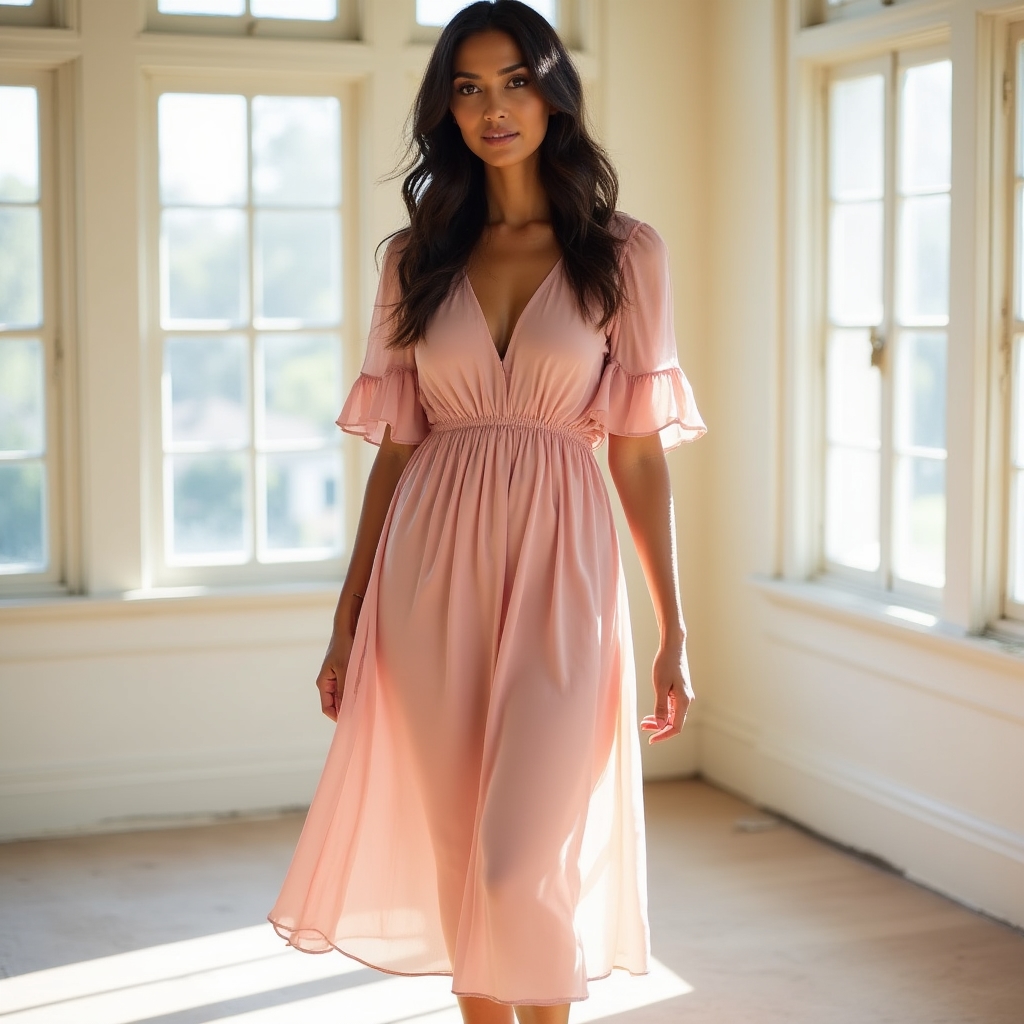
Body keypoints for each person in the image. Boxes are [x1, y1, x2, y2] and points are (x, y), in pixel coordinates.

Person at [268, 3, 706, 1022]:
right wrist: (347, 615)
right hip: (429, 569)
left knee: (522, 866)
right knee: (460, 856)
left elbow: (638, 451)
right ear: (446, 109)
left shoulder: (625, 254)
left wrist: (673, 629)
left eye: (514, 81)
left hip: (564, 566)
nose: (492, 108)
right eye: (467, 88)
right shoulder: (412, 258)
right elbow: (396, 447)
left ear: (553, 95)